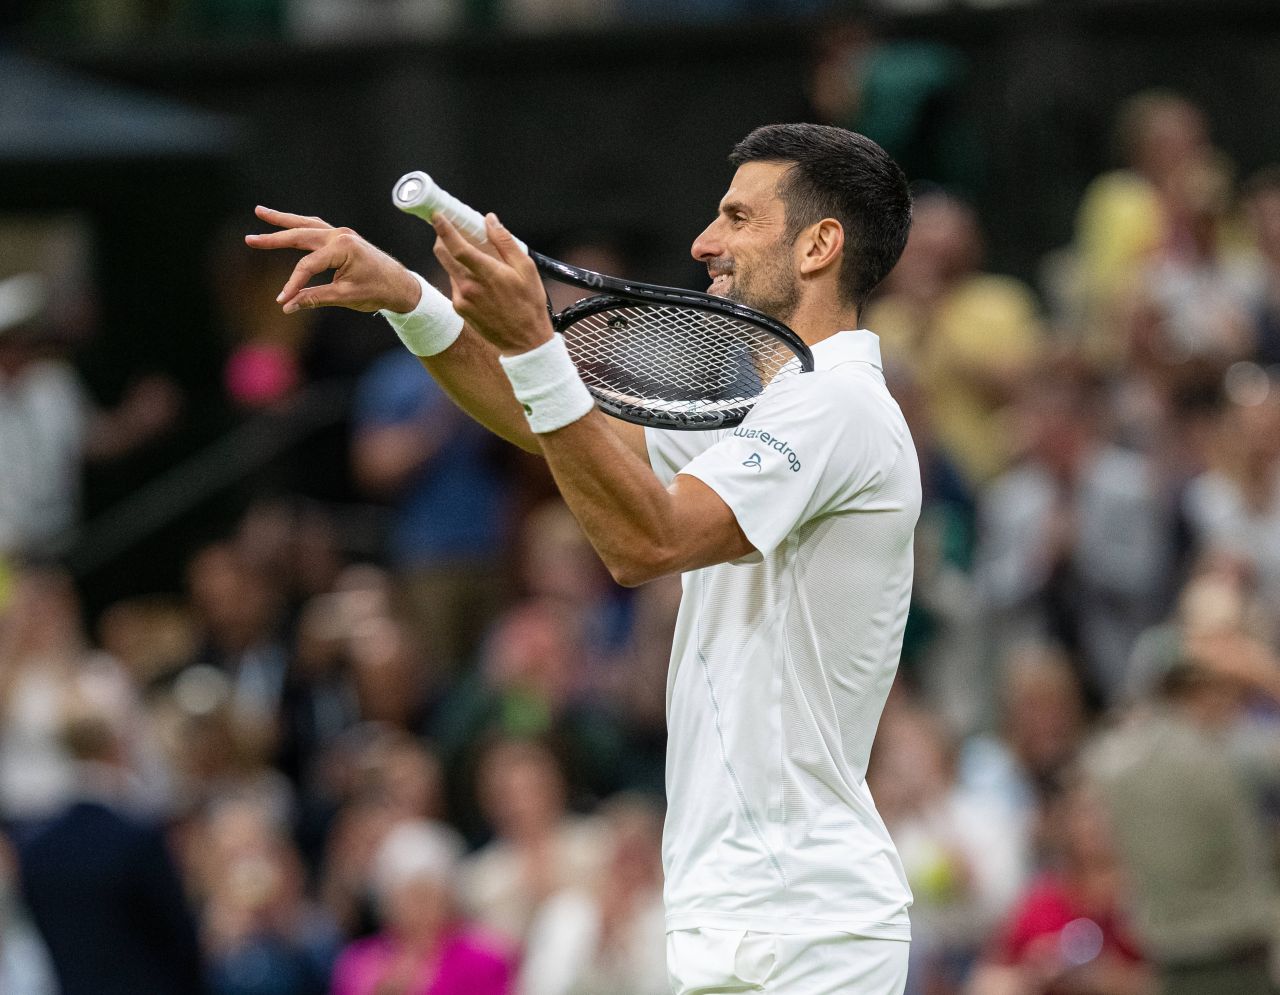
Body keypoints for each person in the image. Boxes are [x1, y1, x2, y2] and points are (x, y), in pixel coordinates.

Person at [249, 122, 918, 994]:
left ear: (820, 244)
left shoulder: (838, 406)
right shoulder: (773, 411)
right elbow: (560, 429)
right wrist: (411, 300)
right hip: (741, 912)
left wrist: (534, 340)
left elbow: (647, 539)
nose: (703, 242)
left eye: (737, 217)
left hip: (807, 925)